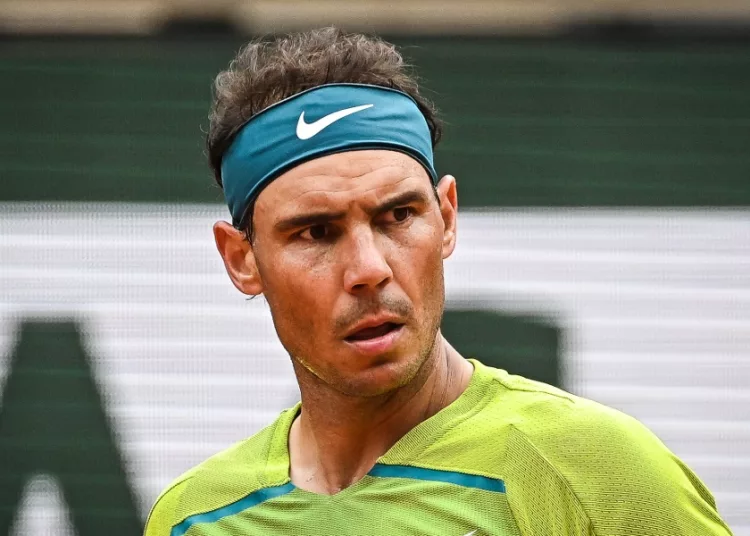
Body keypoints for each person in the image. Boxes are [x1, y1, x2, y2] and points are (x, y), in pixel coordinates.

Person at [144, 28, 732, 536]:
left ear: (446, 217)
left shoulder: (597, 473)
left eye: (398, 216)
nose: (370, 268)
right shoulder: (195, 517)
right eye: (316, 232)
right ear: (242, 259)